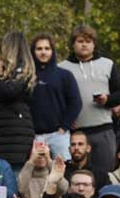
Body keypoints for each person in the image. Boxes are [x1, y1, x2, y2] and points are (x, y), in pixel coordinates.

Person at [58, 25, 120, 174]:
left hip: (103, 129)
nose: (84, 44)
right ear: (73, 44)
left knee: (105, 173)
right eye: (80, 41)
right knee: (74, 176)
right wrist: (65, 120)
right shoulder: (62, 68)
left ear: (94, 44)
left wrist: (107, 99)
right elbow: (56, 101)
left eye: (88, 41)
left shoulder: (107, 64)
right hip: (75, 133)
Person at [0, 31, 36, 169]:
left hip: (16, 134)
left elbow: (11, 91)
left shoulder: (24, 70)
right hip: (2, 131)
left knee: (16, 176)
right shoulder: (3, 70)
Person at [29, 33, 81, 161]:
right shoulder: (27, 76)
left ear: (52, 51)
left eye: (47, 48)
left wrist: (64, 127)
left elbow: (76, 103)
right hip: (33, 136)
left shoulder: (65, 75)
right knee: (36, 174)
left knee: (64, 173)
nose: (43, 52)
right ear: (33, 51)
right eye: (39, 49)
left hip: (58, 135)